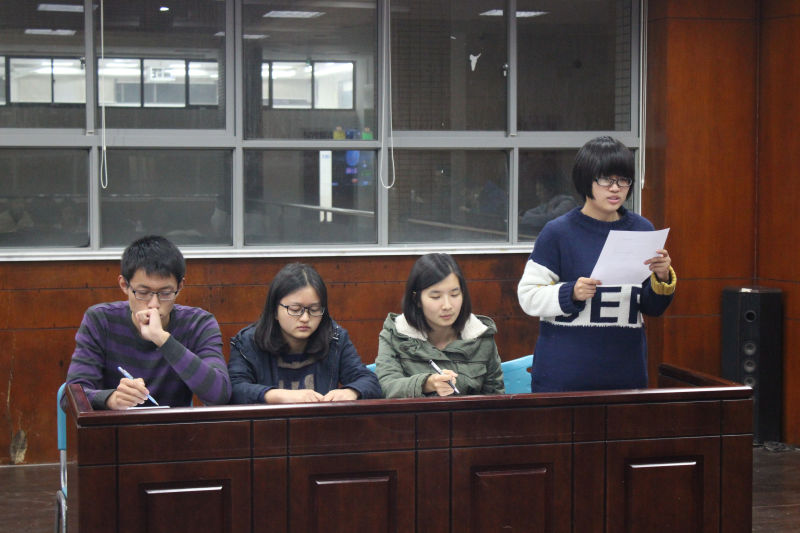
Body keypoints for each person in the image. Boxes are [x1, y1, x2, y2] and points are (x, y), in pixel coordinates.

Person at [517, 136, 676, 392]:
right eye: (605, 180)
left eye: (623, 180)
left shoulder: (642, 229)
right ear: (585, 180)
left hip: (626, 375)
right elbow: (528, 297)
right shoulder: (558, 233)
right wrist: (571, 292)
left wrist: (662, 277)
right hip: (563, 379)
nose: (615, 188)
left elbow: (653, 308)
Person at [64, 235, 231, 409]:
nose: (154, 304)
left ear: (180, 286)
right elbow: (71, 397)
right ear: (124, 285)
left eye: (165, 293)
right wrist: (112, 399)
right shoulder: (101, 320)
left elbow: (219, 395)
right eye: (143, 293)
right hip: (115, 425)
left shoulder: (198, 323)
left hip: (173, 424)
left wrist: (163, 339)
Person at [228, 262, 381, 404]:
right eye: (295, 310)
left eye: (314, 310)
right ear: (274, 310)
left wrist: (352, 391)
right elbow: (234, 389)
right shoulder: (248, 342)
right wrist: (276, 396)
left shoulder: (334, 338)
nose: (305, 318)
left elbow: (369, 381)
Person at [375, 253, 504, 397]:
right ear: (416, 299)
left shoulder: (480, 335)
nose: (447, 305)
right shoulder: (395, 334)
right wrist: (427, 383)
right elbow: (387, 386)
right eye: (436, 297)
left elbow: (495, 396)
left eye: (454, 294)